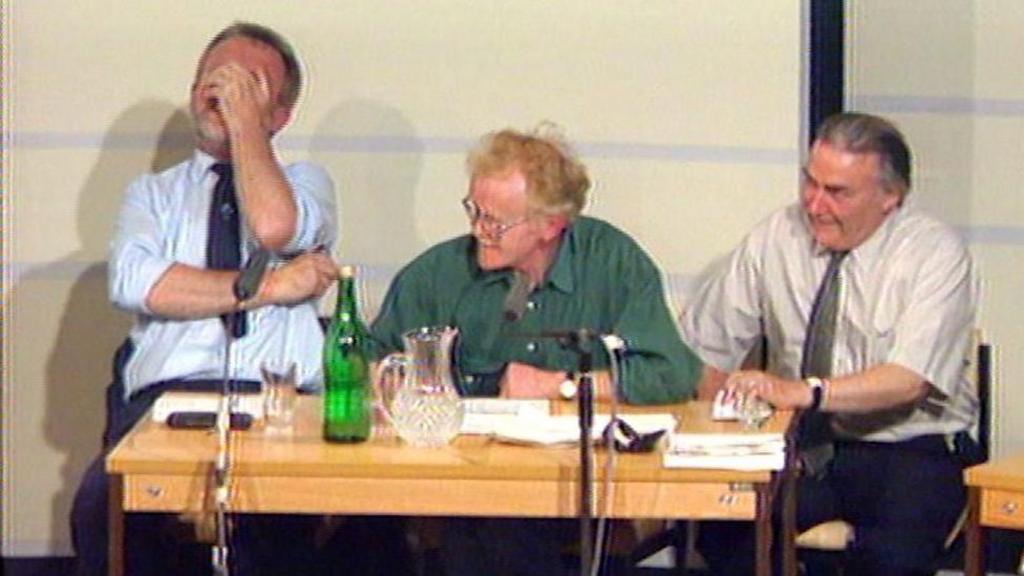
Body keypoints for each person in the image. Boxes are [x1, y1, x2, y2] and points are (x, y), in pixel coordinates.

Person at [370, 126, 704, 575]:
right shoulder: (439, 273)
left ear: (551, 225)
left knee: (506, 529)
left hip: (573, 482)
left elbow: (671, 372)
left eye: (496, 221)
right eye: (474, 211)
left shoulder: (612, 263)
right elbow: (369, 361)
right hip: (468, 482)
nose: (480, 231)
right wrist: (396, 385)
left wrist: (561, 385)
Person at [70, 22, 338, 576]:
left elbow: (275, 229)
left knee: (280, 529)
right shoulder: (152, 194)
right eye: (215, 78)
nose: (225, 92)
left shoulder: (307, 183)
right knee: (99, 509)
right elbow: (139, 284)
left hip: (276, 407)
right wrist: (268, 288)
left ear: (280, 115)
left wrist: (245, 128)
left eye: (249, 85)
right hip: (169, 402)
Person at [681, 112, 980, 576]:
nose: (815, 205)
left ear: (890, 197)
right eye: (810, 183)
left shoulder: (934, 253)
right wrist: (730, 433)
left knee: (890, 555)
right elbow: (704, 349)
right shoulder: (777, 235)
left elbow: (909, 380)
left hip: (907, 448)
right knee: (723, 527)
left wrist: (805, 392)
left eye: (838, 192)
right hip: (801, 445)